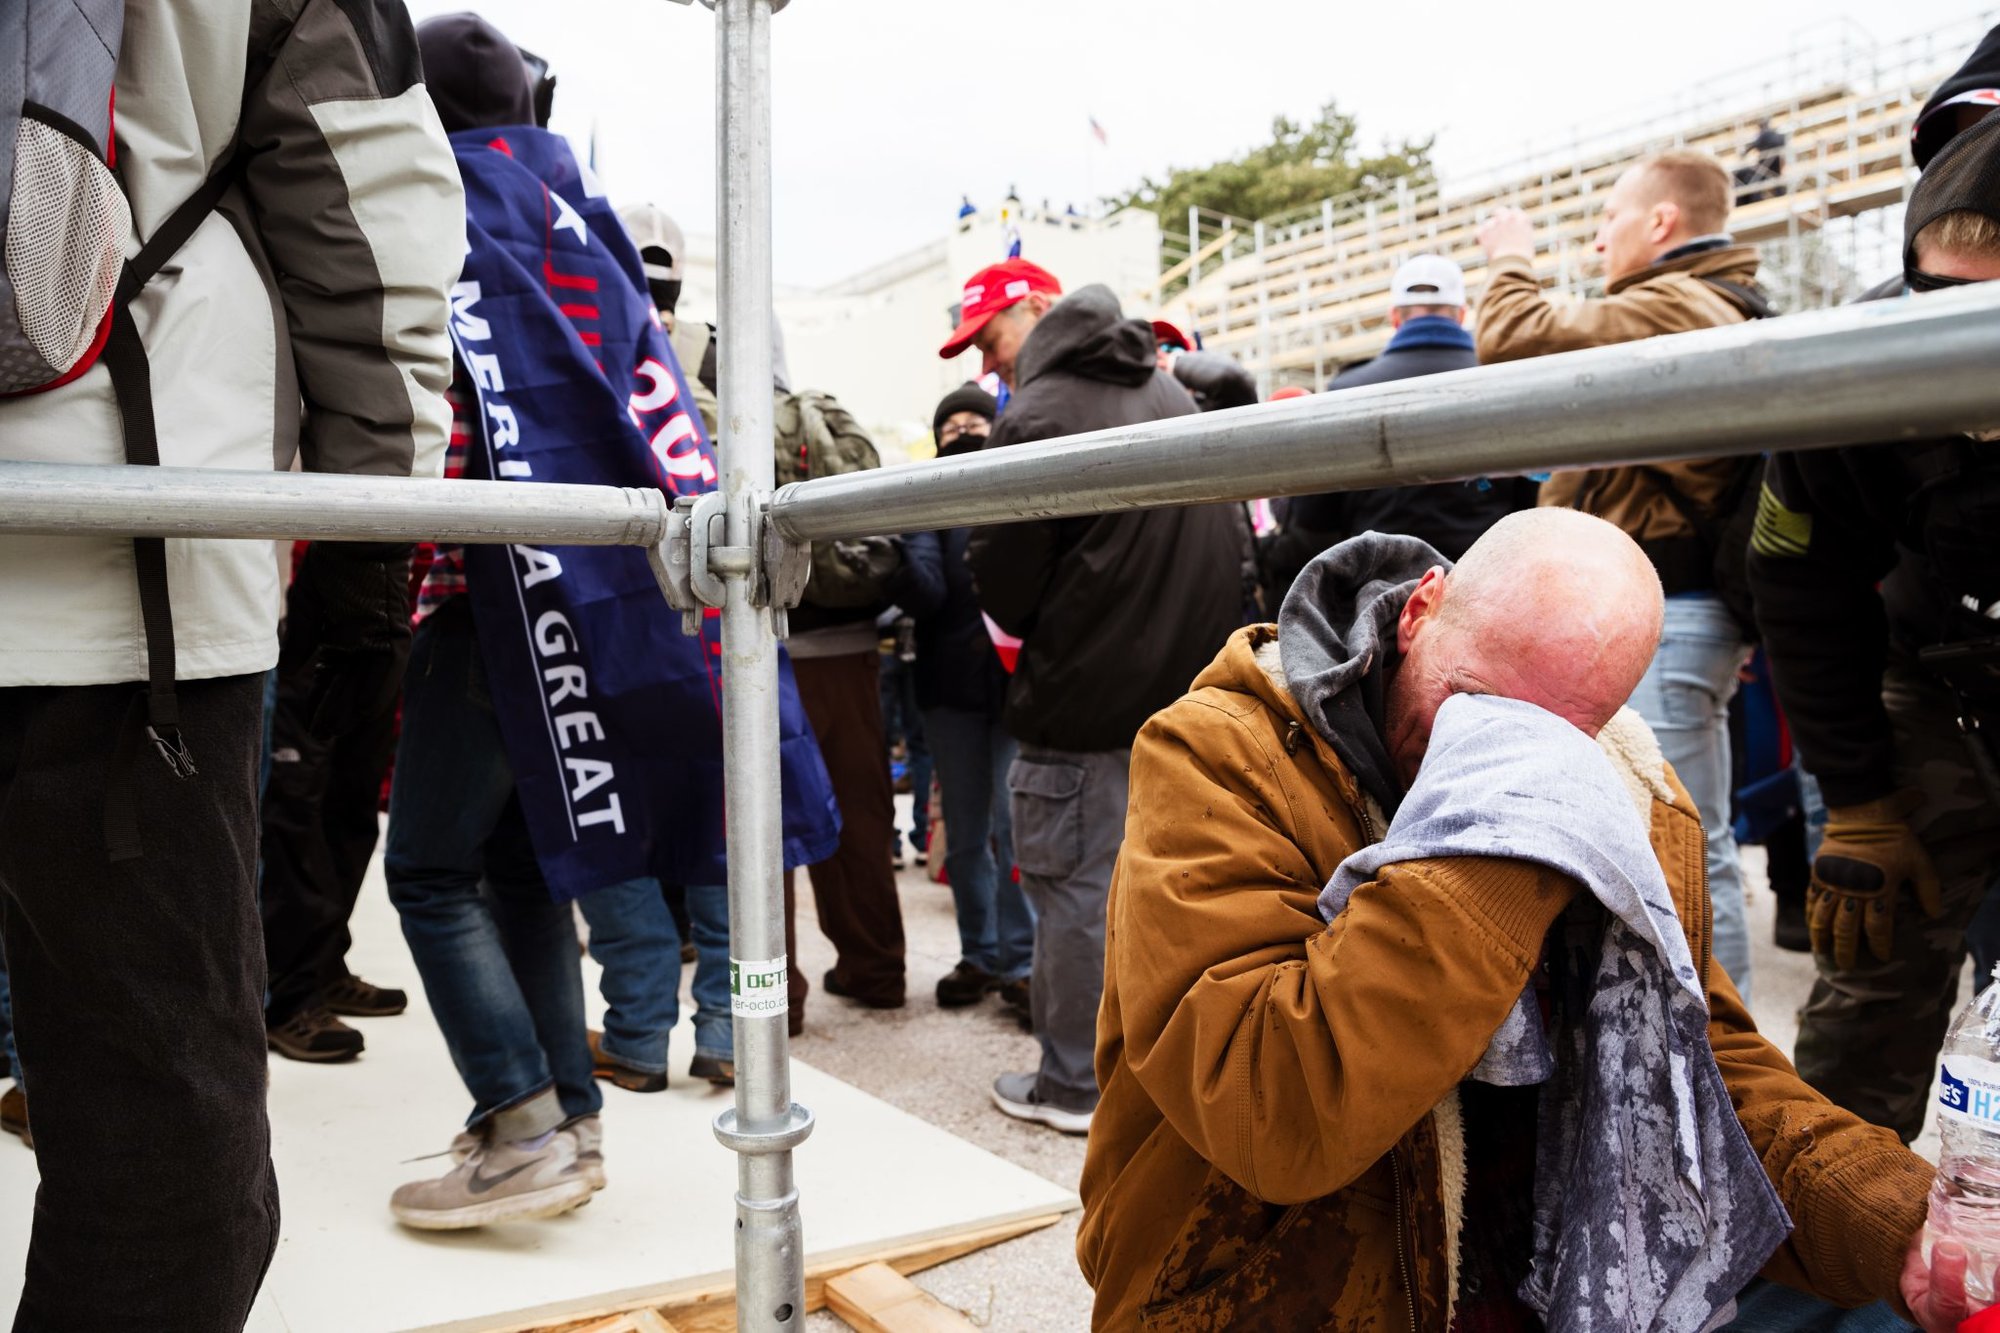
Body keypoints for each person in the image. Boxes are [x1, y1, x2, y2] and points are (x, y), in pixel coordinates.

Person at [1079, 510, 1971, 1330]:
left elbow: (1704, 1082)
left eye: (1546, 734)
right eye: (1468, 702)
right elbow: (1274, 1105)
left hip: (1530, 1282)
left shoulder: (1622, 785)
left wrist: (1903, 1224)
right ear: (1421, 610)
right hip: (1269, 1290)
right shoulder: (1221, 752)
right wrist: (1502, 844)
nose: (1485, 750)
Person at [0, 0, 460, 1324]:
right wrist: (376, 535)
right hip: (126, 579)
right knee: (162, 1149)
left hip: (125, 584)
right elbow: (365, 200)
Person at [384, 12, 606, 1230]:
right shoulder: (572, 218)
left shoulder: (441, 216)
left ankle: (520, 1125)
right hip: (579, 596)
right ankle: (566, 1118)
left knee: (424, 867)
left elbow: (442, 422)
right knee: (525, 874)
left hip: (480, 597)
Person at [946, 260, 1248, 1133]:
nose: (989, 370)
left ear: (1037, 313)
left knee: (1075, 895)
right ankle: (1155, 1072)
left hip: (1081, 703)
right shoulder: (1167, 393)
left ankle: (1074, 1083)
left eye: (993, 344)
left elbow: (1001, 583)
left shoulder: (1039, 414)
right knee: (1163, 891)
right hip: (1182, 701)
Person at [1747, 112, 2000, 1145]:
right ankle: (1828, 1253)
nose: (1960, 342)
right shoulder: (1845, 370)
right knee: (1870, 952)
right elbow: (1801, 588)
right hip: (1934, 679)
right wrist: (1854, 799)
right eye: (1937, 302)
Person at [1475, 149, 1770, 1000]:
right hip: (1668, 611)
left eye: (1608, 219)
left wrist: (1510, 254)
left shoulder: (1677, 299)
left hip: (1667, 612)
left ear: (1661, 223)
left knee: (1675, 842)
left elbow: (1514, 336)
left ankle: (1720, 1060)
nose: (1600, 240)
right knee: (1662, 836)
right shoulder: (1697, 300)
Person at [1258, 253, 1538, 607]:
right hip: (1484, 592)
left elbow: (1315, 523)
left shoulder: (1349, 389)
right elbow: (1530, 508)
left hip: (1377, 602)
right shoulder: (1508, 384)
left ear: (1394, 318)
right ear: (1462, 315)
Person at [885, 385, 1035, 1015]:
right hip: (948, 691)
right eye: (953, 424)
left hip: (1018, 686)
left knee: (1012, 826)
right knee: (968, 832)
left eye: (977, 420)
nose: (965, 430)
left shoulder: (1019, 483)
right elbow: (924, 591)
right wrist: (889, 551)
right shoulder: (927, 497)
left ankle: (1023, 961)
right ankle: (981, 953)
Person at [260, 539, 414, 1063]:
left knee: (351, 810)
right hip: (314, 614)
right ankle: (286, 997)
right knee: (292, 815)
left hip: (387, 618)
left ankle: (324, 967)